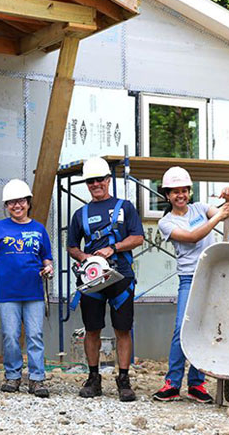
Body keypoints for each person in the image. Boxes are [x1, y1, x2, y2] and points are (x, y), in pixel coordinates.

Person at [152, 166, 229, 404]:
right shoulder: (166, 222)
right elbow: (192, 237)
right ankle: (172, 383)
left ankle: (197, 384)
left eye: (184, 190)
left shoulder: (200, 208)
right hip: (189, 278)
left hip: (211, 276)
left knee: (205, 329)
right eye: (175, 191)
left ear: (189, 191)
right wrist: (218, 216)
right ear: (167, 195)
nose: (180, 195)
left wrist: (228, 200)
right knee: (182, 329)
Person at [66, 157, 144, 402]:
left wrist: (115, 247)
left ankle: (123, 378)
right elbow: (71, 247)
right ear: (87, 184)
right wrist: (85, 256)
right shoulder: (81, 214)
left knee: (122, 329)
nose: (96, 184)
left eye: (100, 179)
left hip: (121, 276)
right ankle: (93, 377)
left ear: (108, 180)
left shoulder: (126, 207)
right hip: (93, 278)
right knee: (92, 329)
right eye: (91, 181)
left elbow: (138, 238)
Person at [0, 179, 53, 398]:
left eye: (20, 201)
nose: (16, 206)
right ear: (6, 206)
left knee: (35, 335)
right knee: (10, 335)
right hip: (7, 293)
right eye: (11, 202)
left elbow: (47, 258)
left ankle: (37, 379)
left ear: (28, 202)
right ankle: (13, 375)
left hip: (34, 293)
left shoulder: (38, 229)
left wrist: (49, 268)